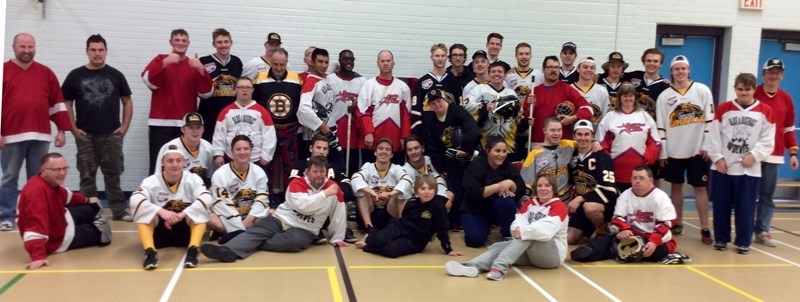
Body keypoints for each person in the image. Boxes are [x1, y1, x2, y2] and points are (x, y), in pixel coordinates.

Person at [199, 156, 350, 263]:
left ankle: (242, 237)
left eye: (322, 172)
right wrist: (325, 194)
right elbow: (304, 206)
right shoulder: (297, 183)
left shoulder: (333, 189)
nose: (318, 175)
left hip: (305, 228)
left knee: (294, 243)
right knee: (260, 230)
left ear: (326, 172)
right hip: (281, 218)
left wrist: (338, 237)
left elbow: (339, 213)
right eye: (315, 171)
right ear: (308, 172)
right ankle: (228, 251)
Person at [1, 33, 71, 231]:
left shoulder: (45, 73)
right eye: (22, 46)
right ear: (13, 47)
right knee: (9, 176)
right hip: (10, 137)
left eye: (30, 46)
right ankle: (6, 215)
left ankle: (34, 215)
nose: (26, 50)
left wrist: (61, 130)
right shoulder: (3, 71)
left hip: (40, 136)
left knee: (39, 179)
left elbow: (57, 102)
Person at [61, 34, 133, 222]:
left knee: (113, 174)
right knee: (87, 176)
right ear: (87, 51)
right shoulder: (75, 75)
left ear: (106, 51)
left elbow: (127, 101)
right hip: (85, 135)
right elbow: (66, 102)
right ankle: (89, 212)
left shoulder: (116, 75)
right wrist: (73, 128)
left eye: (100, 50)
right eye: (93, 50)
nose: (97, 54)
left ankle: (119, 211)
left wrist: (124, 127)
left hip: (111, 134)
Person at [445, 174, 567, 280]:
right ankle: (472, 266)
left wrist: (523, 231)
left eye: (547, 185)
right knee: (501, 246)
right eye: (540, 186)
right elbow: (517, 221)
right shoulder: (530, 204)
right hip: (532, 254)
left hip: (552, 257)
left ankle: (499, 268)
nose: (543, 189)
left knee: (528, 236)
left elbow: (546, 231)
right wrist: (517, 231)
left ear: (553, 188)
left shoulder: (559, 206)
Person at [708, 73, 775, 254]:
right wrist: (718, 158)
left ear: (754, 89)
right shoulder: (724, 109)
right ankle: (721, 238)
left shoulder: (765, 111)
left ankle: (743, 241)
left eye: (747, 89)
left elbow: (768, 140)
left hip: (749, 170)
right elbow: (713, 136)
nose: (743, 93)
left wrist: (754, 155)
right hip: (723, 168)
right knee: (721, 206)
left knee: (745, 208)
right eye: (740, 89)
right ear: (735, 89)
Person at [570, 166, 685, 264]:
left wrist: (653, 241)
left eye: (641, 178)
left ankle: (618, 252)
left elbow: (666, 224)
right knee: (604, 241)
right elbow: (617, 218)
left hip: (652, 238)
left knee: (654, 252)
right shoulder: (625, 195)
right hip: (630, 235)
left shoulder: (660, 197)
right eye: (634, 178)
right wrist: (624, 229)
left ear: (651, 180)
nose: (637, 181)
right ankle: (588, 252)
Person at [16, 153, 112, 269]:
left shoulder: (47, 182)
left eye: (64, 168)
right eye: (56, 170)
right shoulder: (36, 192)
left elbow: (66, 195)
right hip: (58, 239)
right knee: (102, 235)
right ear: (43, 170)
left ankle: (94, 220)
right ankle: (96, 229)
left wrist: (87, 199)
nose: (62, 173)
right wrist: (38, 257)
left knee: (92, 207)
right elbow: (34, 226)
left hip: (61, 219)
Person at [655, 55, 713, 243]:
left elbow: (710, 119)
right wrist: (663, 151)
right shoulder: (664, 96)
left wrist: (706, 143)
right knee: (676, 187)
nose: (680, 72)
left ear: (688, 70)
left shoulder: (702, 90)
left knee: (700, 188)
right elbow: (661, 126)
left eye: (683, 68)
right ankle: (677, 221)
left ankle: (705, 226)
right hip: (674, 150)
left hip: (697, 150)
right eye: (676, 69)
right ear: (671, 71)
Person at [142, 29, 213, 175]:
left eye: (183, 40)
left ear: (188, 43)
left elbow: (206, 93)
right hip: (160, 122)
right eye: (177, 40)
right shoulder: (160, 58)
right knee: (159, 162)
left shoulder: (193, 64)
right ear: (171, 42)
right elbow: (149, 82)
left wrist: (201, 70)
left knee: (183, 164)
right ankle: (155, 195)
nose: (180, 43)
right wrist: (164, 63)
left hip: (184, 125)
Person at [130, 145, 212, 270]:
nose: (174, 164)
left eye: (178, 160)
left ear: (183, 162)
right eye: (170, 161)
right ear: (162, 162)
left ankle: (193, 249)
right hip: (160, 233)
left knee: (200, 211)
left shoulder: (193, 179)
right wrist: (161, 211)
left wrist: (182, 214)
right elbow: (135, 200)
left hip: (185, 231)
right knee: (144, 212)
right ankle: (150, 252)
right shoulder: (150, 181)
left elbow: (207, 198)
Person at [417, 89, 479, 231]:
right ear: (430, 106)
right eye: (433, 103)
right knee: (454, 188)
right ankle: (455, 221)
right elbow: (433, 147)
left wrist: (465, 149)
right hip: (449, 161)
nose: (437, 105)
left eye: (439, 101)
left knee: (470, 186)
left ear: (445, 100)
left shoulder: (458, 112)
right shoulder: (431, 121)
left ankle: (472, 216)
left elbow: (473, 130)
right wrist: (441, 168)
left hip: (468, 155)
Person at [355, 175, 462, 258]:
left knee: (391, 250)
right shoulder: (412, 203)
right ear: (416, 191)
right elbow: (403, 219)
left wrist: (448, 249)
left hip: (415, 240)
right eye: (423, 189)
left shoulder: (438, 206)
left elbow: (442, 228)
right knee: (378, 238)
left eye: (430, 189)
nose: (426, 192)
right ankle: (370, 237)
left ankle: (367, 247)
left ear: (435, 190)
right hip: (399, 227)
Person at [753, 58, 799, 247]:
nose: (774, 75)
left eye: (777, 72)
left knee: (767, 195)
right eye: (770, 71)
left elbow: (788, 128)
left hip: (774, 155)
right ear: (763, 74)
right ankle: (744, 229)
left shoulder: (786, 98)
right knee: (747, 194)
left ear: (782, 75)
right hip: (752, 155)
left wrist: (793, 153)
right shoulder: (753, 93)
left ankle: (762, 230)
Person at [287, 134, 358, 243]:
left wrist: (336, 191)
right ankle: (314, 230)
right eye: (318, 147)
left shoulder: (333, 167)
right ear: (311, 148)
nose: (321, 151)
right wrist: (321, 192)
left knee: (339, 194)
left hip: (327, 209)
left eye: (325, 148)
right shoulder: (300, 165)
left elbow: (346, 184)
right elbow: (292, 184)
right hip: (307, 209)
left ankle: (343, 229)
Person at [253, 48, 302, 202]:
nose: (279, 68)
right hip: (268, 130)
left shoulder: (296, 80)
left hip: (290, 129)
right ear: (270, 62)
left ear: (287, 63)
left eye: (282, 64)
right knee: (266, 164)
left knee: (291, 165)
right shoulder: (259, 79)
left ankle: (290, 197)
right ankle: (265, 197)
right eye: (275, 64)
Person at [461, 136, 525, 248]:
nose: (501, 155)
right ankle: (480, 226)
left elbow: (521, 188)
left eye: (504, 151)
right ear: (488, 151)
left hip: (496, 208)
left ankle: (507, 233)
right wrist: (498, 186)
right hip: (475, 210)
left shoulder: (507, 166)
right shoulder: (475, 166)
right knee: (475, 240)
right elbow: (474, 193)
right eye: (497, 151)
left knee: (508, 202)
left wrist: (510, 183)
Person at [596, 83, 660, 192]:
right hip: (615, 169)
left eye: (631, 96)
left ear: (635, 97)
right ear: (619, 98)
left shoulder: (645, 116)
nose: (628, 98)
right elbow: (601, 142)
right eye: (625, 96)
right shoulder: (609, 117)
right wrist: (608, 161)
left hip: (640, 169)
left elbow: (655, 141)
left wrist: (648, 157)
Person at [566, 120, 619, 244]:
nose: (583, 138)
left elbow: (610, 190)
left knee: (589, 207)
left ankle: (603, 228)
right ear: (574, 136)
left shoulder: (602, 157)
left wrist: (580, 199)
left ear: (592, 136)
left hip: (604, 204)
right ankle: (590, 229)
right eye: (579, 134)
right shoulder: (572, 156)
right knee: (570, 239)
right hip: (582, 203)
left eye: (587, 134)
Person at [356, 50, 411, 165]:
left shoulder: (403, 87)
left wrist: (404, 136)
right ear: (378, 63)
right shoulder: (369, 85)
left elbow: (406, 114)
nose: (385, 63)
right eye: (382, 61)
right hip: (372, 141)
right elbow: (361, 111)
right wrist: (368, 133)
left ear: (393, 63)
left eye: (388, 60)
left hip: (395, 141)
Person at [208, 135, 269, 239]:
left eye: (246, 149)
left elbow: (262, 200)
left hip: (250, 217)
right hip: (227, 218)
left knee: (271, 215)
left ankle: (231, 235)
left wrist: (249, 219)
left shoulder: (259, 172)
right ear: (231, 151)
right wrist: (240, 226)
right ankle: (242, 234)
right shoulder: (220, 174)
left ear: (251, 151)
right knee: (210, 218)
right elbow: (222, 205)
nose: (242, 152)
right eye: (238, 149)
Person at [525, 56, 593, 146]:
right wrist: (529, 110)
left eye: (556, 67)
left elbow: (588, 110)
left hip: (562, 145)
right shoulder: (533, 92)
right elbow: (524, 118)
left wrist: (573, 118)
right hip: (538, 144)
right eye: (550, 67)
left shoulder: (567, 89)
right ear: (543, 69)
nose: (554, 70)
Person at [213, 77, 277, 171]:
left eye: (248, 87)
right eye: (241, 87)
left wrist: (266, 155)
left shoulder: (262, 112)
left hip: (256, 160)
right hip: (231, 159)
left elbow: (269, 135)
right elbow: (219, 135)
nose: (245, 89)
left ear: (252, 90)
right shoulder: (226, 112)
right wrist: (218, 154)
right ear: (235, 90)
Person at [351, 138, 413, 230]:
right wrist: (371, 192)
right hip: (370, 212)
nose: (384, 152)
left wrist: (390, 194)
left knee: (402, 192)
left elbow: (408, 180)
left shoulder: (396, 168)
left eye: (388, 150)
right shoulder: (368, 167)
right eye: (380, 148)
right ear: (375, 152)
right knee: (361, 191)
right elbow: (355, 179)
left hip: (389, 214)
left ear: (392, 155)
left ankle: (403, 227)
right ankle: (368, 227)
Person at [198, 28, 243, 142]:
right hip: (209, 118)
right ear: (214, 44)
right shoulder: (204, 61)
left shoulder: (237, 62)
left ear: (231, 43)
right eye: (219, 42)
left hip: (231, 118)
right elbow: (199, 91)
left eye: (226, 42)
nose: (223, 45)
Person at [327, 50, 366, 176]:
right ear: (340, 61)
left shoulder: (361, 81)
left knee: (352, 166)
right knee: (335, 166)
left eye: (351, 59)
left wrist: (357, 109)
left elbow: (365, 106)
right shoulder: (330, 79)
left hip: (353, 131)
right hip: (335, 130)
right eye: (345, 59)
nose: (349, 62)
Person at [467, 61, 521, 153]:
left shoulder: (511, 93)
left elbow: (519, 113)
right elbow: (467, 106)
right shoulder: (479, 89)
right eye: (493, 71)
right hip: (485, 141)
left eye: (500, 72)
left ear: (505, 76)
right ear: (489, 74)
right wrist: (484, 106)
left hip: (506, 141)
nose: (496, 74)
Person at [520, 117, 577, 201]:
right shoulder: (535, 153)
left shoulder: (568, 146)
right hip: (542, 200)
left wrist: (595, 143)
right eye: (552, 130)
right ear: (544, 131)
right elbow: (526, 181)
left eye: (559, 130)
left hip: (564, 199)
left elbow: (584, 141)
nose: (556, 133)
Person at [154, 112, 216, 186]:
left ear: (203, 129)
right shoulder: (169, 148)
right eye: (191, 128)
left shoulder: (208, 148)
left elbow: (210, 176)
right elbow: (158, 177)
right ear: (183, 129)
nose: (195, 131)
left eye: (198, 127)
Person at [506, 42, 543, 159]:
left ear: (531, 56)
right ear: (516, 56)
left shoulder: (539, 75)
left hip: (532, 124)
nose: (524, 57)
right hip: (513, 126)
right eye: (521, 54)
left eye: (527, 54)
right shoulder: (508, 76)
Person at [411, 43, 460, 131]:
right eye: (437, 56)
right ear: (431, 57)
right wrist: (418, 133)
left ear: (446, 57)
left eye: (442, 56)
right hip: (428, 132)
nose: (440, 59)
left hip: (449, 131)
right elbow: (416, 111)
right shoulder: (421, 82)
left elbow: (460, 109)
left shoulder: (454, 82)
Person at [402, 136, 452, 203]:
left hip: (438, 195)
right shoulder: (404, 170)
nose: (413, 152)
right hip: (418, 202)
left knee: (449, 195)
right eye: (409, 150)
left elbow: (440, 181)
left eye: (416, 148)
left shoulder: (432, 160)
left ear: (422, 148)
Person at [626, 48, 670, 120]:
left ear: (661, 64)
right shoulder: (634, 76)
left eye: (655, 61)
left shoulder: (665, 86)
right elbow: (613, 76)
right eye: (648, 60)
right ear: (643, 62)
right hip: (628, 123)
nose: (651, 63)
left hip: (649, 127)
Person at [571, 57, 610, 128]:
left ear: (595, 70)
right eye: (585, 67)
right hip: (573, 135)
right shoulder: (569, 89)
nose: (589, 70)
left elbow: (605, 116)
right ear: (578, 69)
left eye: (592, 68)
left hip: (595, 135)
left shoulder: (602, 91)